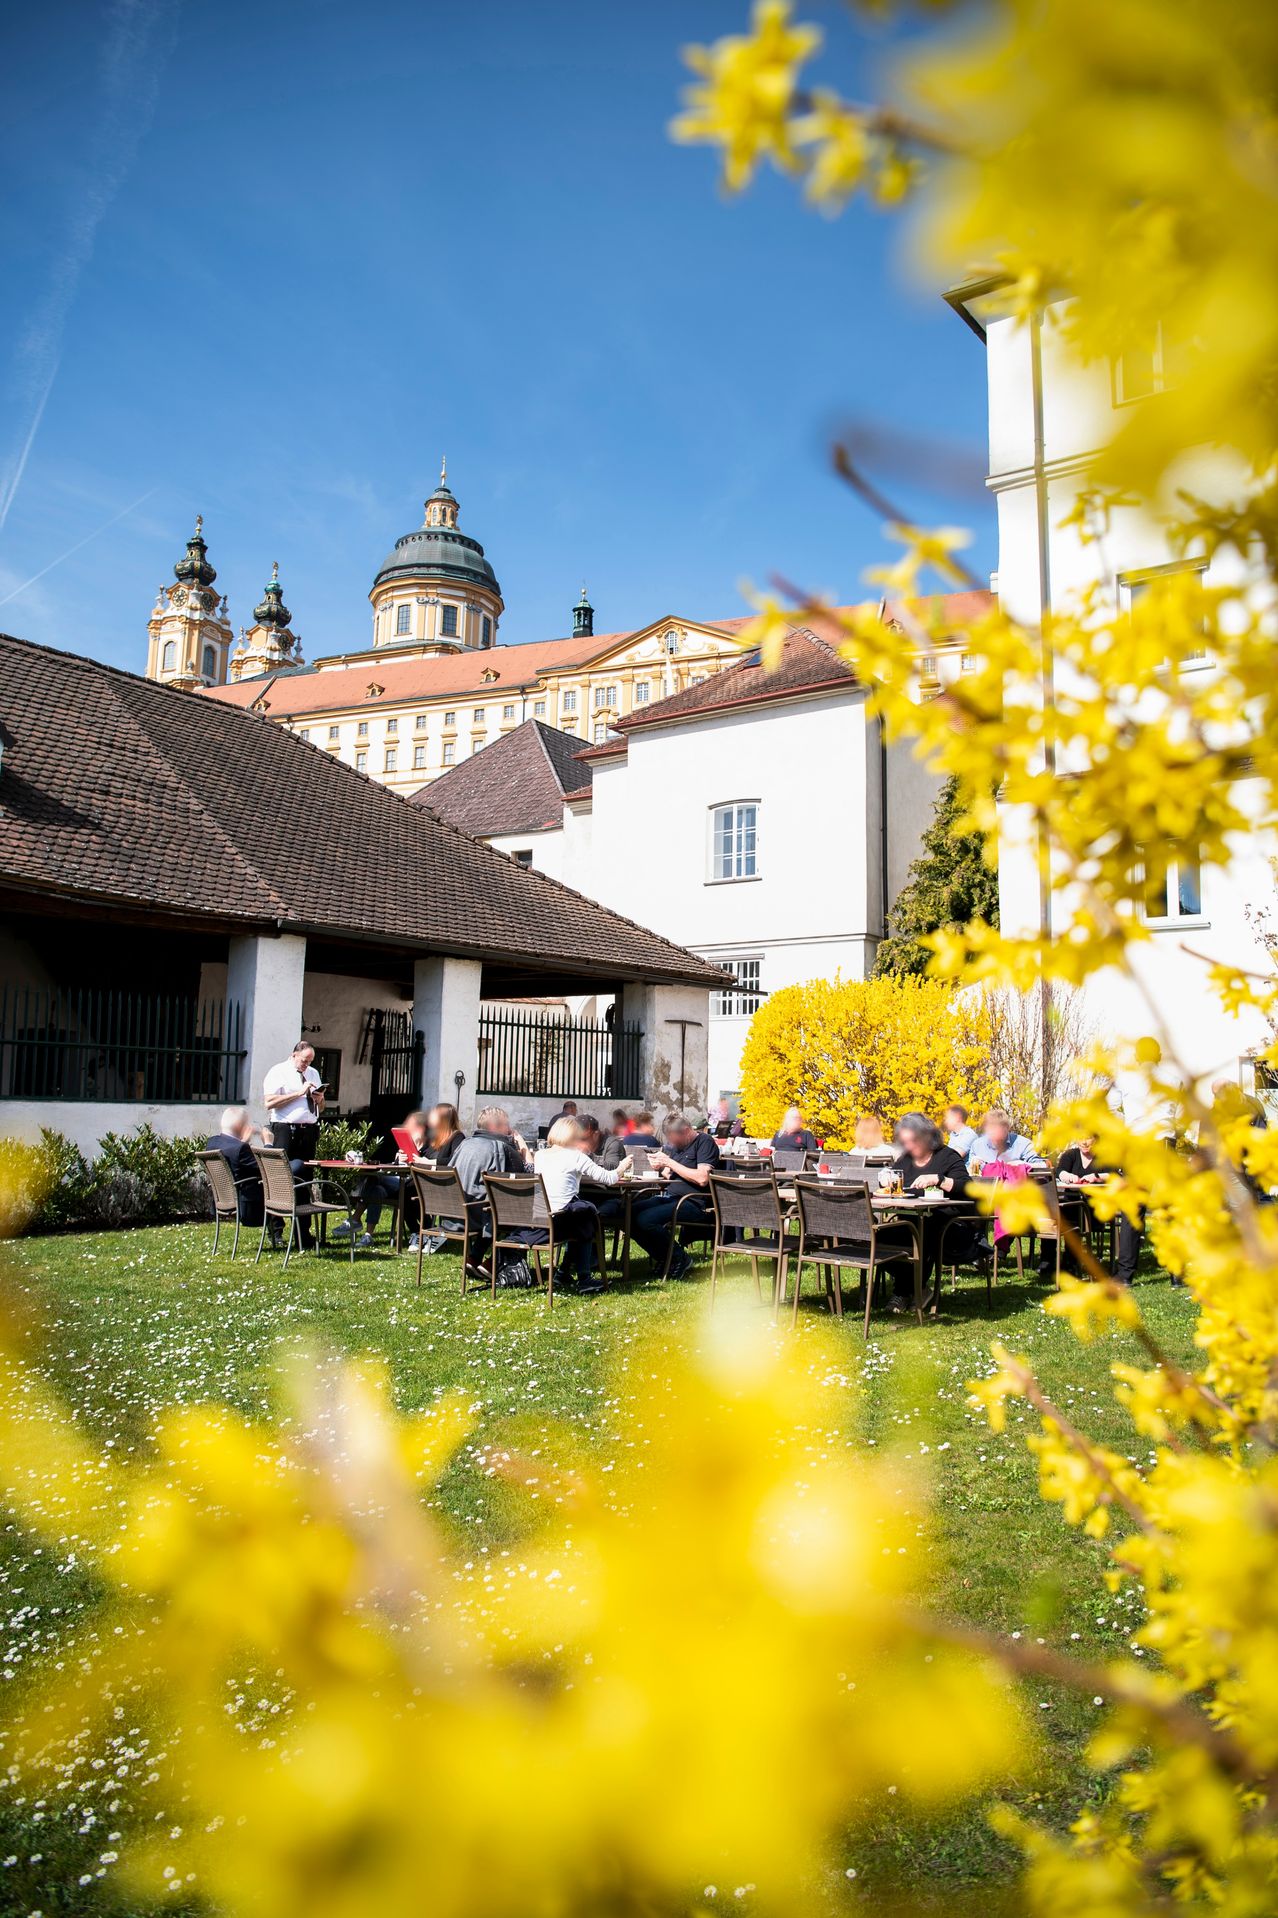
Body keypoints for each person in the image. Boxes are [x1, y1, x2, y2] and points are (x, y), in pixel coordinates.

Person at [880, 1113, 978, 1309]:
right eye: (905, 1142)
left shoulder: (947, 1156)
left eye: (913, 1141)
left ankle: (904, 1292)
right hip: (912, 1220)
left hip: (952, 1227)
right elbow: (892, 1178)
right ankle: (915, 1290)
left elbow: (969, 1188)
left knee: (923, 1230)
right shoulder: (906, 1160)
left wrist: (940, 1180)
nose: (909, 1146)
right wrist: (884, 1179)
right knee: (881, 1237)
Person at [527, 1117, 631, 1294]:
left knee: (581, 1217)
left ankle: (564, 1272)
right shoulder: (575, 1157)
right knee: (586, 1218)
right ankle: (584, 1278)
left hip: (541, 1219)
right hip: (561, 1220)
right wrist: (622, 1167)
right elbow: (609, 1178)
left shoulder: (540, 1155)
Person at [628, 1112, 720, 1280]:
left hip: (694, 1202)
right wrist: (660, 1168)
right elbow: (673, 1175)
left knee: (646, 1220)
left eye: (673, 1138)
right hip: (672, 1196)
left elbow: (702, 1178)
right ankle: (665, 1257)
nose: (672, 1143)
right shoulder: (679, 1146)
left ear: (685, 1131)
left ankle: (679, 1258)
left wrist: (669, 1162)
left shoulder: (705, 1142)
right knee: (628, 1214)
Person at [450, 1107, 533, 1275]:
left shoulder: (464, 1144)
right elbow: (531, 1176)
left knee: (493, 1208)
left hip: (457, 1212)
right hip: (483, 1215)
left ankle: (474, 1258)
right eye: (506, 1125)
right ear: (493, 1127)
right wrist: (523, 1147)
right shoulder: (502, 1148)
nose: (509, 1130)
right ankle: (494, 1262)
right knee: (528, 1215)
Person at [1057, 1136, 1144, 1283]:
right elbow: (1060, 1171)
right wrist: (1069, 1177)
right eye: (1080, 1138)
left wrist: (1096, 1177)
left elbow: (1115, 1174)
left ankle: (1071, 1262)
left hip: (1096, 1209)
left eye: (1088, 1138)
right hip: (1073, 1207)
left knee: (1073, 1216)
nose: (1084, 1142)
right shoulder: (1070, 1155)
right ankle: (1069, 1261)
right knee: (1067, 1212)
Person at [263, 1041, 324, 1244]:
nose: (306, 1065)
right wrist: (298, 1093)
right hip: (285, 1129)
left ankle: (302, 1233)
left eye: (310, 1061)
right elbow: (269, 1102)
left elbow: (320, 1108)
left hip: (308, 1131)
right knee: (280, 1178)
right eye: (304, 1061)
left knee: (305, 1179)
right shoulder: (278, 1071)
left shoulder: (313, 1073)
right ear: (294, 1055)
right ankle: (276, 1231)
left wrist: (319, 1098)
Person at [205, 1105, 273, 1234]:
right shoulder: (241, 1149)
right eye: (247, 1124)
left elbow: (235, 1159)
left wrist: (243, 1141)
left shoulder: (212, 1143)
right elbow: (268, 1169)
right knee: (297, 1166)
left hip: (224, 1200)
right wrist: (268, 1143)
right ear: (240, 1126)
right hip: (250, 1206)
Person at [966, 1108, 1037, 1173]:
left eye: (999, 1130)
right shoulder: (977, 1145)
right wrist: (972, 1165)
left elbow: (1042, 1165)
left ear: (1007, 1128)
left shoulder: (1022, 1144)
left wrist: (1022, 1164)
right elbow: (967, 1173)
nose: (995, 1134)